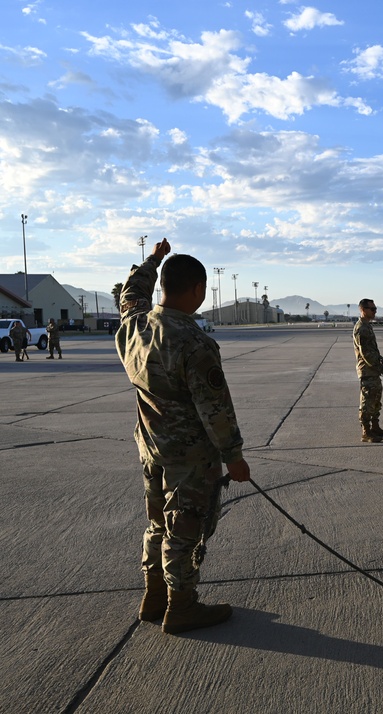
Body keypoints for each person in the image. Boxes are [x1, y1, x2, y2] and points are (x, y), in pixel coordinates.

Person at [116, 238, 251, 635]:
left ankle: (154, 595)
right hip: (189, 457)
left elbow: (131, 293)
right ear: (196, 290)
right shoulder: (194, 343)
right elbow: (215, 409)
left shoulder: (135, 324)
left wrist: (153, 259)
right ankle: (182, 606)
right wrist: (234, 456)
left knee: (157, 523)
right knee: (185, 528)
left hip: (150, 447)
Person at [353, 298, 383, 443]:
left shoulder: (367, 326)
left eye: (375, 309)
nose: (375, 311)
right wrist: (380, 368)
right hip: (367, 371)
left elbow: (372, 350)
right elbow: (366, 354)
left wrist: (382, 359)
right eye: (372, 309)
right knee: (367, 402)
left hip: (373, 371)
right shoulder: (361, 328)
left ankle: (375, 427)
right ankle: (366, 431)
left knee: (375, 400)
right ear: (363, 310)